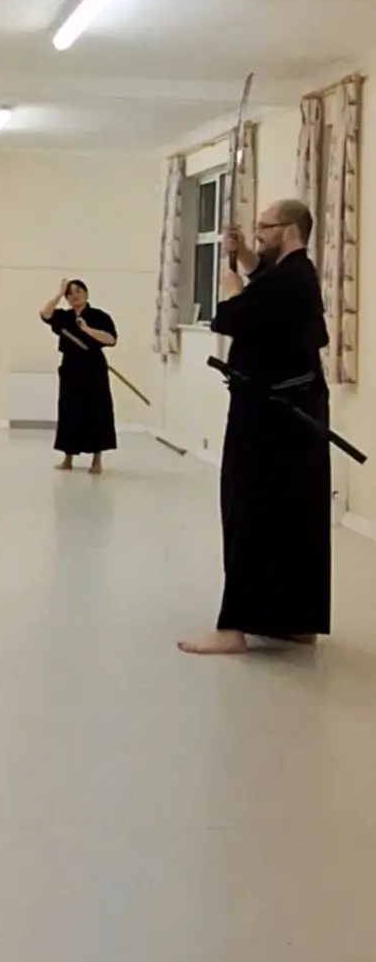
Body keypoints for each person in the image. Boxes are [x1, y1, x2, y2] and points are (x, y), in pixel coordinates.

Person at [178, 199, 331, 655]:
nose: (257, 233)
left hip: (270, 417)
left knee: (249, 511)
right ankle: (296, 621)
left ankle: (234, 627)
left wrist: (232, 290)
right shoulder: (295, 275)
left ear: (290, 230)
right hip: (289, 415)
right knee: (292, 516)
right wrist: (245, 257)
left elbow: (235, 318)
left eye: (264, 227)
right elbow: (268, 295)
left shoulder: (291, 279)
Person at [40, 278, 118, 474]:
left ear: (86, 293)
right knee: (69, 411)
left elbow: (111, 339)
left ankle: (96, 461)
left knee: (97, 411)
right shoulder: (63, 317)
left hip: (93, 368)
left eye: (78, 291)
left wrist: (87, 330)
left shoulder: (99, 316)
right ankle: (68, 458)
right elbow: (45, 314)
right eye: (70, 293)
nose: (74, 295)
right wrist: (59, 294)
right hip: (71, 367)